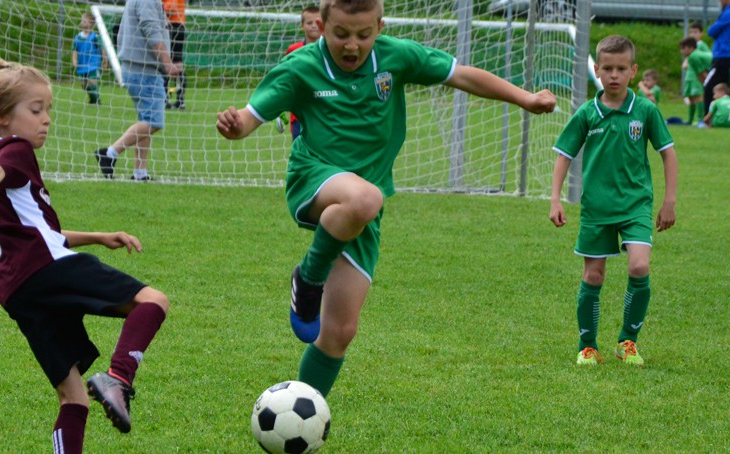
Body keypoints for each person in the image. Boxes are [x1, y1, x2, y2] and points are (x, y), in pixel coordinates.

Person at [215, 0, 555, 397]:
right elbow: (248, 119)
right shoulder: (300, 67)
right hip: (314, 181)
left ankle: (303, 410)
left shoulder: (396, 56)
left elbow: (461, 76)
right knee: (365, 197)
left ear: (380, 26)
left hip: (361, 211)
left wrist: (525, 98)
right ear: (321, 26)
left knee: (339, 332)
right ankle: (308, 277)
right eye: (341, 34)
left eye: (363, 34)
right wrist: (234, 125)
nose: (352, 45)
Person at [0, 59, 169, 454]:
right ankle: (119, 378)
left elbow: (40, 232)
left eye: (48, 110)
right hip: (47, 269)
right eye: (36, 110)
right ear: (3, 115)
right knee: (153, 301)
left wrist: (97, 236)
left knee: (72, 397)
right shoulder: (14, 152)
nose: (47, 119)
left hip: (17, 289)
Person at [549, 35, 678, 367]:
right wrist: (555, 199)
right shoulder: (587, 113)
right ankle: (588, 346)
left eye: (622, 68)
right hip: (596, 208)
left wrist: (669, 201)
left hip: (636, 205)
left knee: (639, 266)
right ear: (597, 70)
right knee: (594, 276)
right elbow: (564, 155)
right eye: (607, 68)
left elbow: (668, 154)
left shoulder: (646, 111)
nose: (614, 75)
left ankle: (627, 342)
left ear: (633, 71)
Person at [94, 0, 182, 181]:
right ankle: (110, 153)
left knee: (146, 121)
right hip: (144, 70)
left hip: (137, 69)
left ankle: (140, 172)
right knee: (154, 121)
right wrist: (167, 63)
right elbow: (151, 29)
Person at [277, 5, 322, 139]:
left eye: (317, 22)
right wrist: (278, 110)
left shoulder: (332, 50)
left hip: (324, 112)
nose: (314, 26)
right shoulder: (293, 50)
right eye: (309, 23)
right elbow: (283, 80)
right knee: (300, 152)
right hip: (299, 115)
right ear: (302, 25)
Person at [704, 0, 730, 118]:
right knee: (725, 87)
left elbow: (712, 31)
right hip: (727, 54)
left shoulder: (729, 13)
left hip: (722, 55)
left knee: (708, 85)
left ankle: (707, 119)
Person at [72, 11, 109, 105]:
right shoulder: (77, 37)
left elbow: (102, 48)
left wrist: (105, 60)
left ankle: (97, 100)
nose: (82, 22)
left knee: (92, 82)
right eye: (82, 20)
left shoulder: (95, 37)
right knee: (84, 85)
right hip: (82, 65)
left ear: (91, 24)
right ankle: (93, 99)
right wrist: (74, 60)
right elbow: (75, 50)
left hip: (93, 64)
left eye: (84, 21)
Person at [680, 37, 711, 126]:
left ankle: (700, 120)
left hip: (695, 78)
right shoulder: (692, 56)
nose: (681, 51)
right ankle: (690, 120)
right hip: (691, 77)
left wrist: (707, 84)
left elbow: (702, 72)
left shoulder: (694, 55)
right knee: (691, 97)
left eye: (683, 48)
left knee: (698, 96)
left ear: (690, 48)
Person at [162, 0, 188, 110]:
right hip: (176, 24)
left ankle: (173, 100)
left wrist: (157, 8)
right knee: (176, 63)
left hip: (173, 26)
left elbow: (170, 7)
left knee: (170, 63)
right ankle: (178, 101)